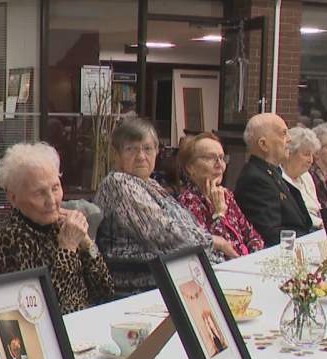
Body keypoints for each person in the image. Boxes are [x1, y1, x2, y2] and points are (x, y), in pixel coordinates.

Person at [94, 118, 229, 293]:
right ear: (116, 154)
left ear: (157, 151)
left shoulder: (150, 183)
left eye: (147, 149)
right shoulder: (119, 183)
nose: (141, 156)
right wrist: (214, 242)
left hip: (176, 275)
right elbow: (164, 234)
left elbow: (187, 226)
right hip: (144, 285)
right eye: (131, 149)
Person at [0, 142, 113, 314]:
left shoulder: (61, 226)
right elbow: (42, 309)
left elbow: (106, 291)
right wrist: (67, 247)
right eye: (39, 193)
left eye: (55, 188)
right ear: (13, 198)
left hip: (87, 321)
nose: (52, 201)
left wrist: (87, 243)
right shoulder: (11, 239)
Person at [176, 132, 264, 256]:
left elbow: (253, 236)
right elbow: (213, 252)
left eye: (222, 158)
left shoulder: (226, 195)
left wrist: (251, 259)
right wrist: (219, 213)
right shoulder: (188, 201)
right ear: (191, 167)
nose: (220, 165)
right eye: (210, 158)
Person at [233, 112, 313, 246]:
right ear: (263, 144)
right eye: (283, 133)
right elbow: (272, 234)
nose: (289, 139)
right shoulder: (255, 179)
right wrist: (308, 243)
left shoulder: (271, 171)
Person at [281, 127, 324, 228]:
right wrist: (320, 223)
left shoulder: (306, 176)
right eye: (306, 154)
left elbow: (318, 208)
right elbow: (295, 215)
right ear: (289, 153)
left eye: (312, 155)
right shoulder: (280, 178)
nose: (311, 160)